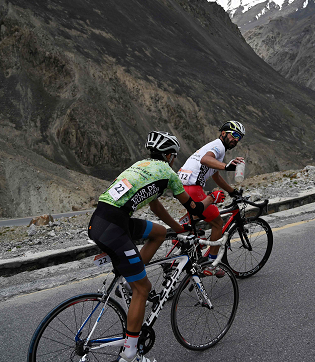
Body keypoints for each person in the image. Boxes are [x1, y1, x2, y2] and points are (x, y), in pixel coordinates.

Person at [88, 131, 220, 362]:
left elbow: (156, 207)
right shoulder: (168, 174)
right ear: (169, 156)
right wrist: (212, 198)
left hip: (102, 220)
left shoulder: (141, 165)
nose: (174, 160)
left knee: (158, 233)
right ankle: (130, 353)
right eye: (174, 156)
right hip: (115, 228)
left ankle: (132, 279)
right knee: (144, 288)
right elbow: (196, 209)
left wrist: (175, 229)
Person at [177, 120, 246, 276]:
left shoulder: (215, 147)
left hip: (182, 187)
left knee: (194, 221)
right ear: (223, 133)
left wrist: (231, 191)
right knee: (217, 223)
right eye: (234, 135)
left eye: (239, 137)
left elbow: (214, 175)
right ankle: (211, 265)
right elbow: (205, 160)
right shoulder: (218, 147)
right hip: (192, 187)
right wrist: (227, 166)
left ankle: (180, 246)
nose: (236, 139)